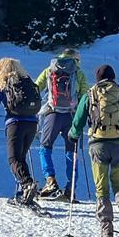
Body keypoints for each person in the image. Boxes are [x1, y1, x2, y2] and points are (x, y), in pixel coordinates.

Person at [68, 64, 119, 237]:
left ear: (97, 78)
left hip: (98, 145)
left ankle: (106, 236)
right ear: (113, 77)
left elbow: (77, 122)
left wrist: (73, 135)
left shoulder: (90, 94)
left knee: (101, 190)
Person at [0, 57, 43, 207]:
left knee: (13, 159)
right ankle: (23, 192)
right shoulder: (27, 82)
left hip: (15, 124)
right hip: (32, 124)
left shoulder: (3, 84)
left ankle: (27, 185)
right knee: (21, 158)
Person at [34, 48, 89, 200]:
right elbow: (85, 96)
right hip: (72, 116)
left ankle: (50, 180)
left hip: (52, 114)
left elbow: (36, 88)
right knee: (72, 152)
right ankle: (70, 189)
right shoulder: (78, 73)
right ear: (76, 59)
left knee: (45, 148)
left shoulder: (49, 70)